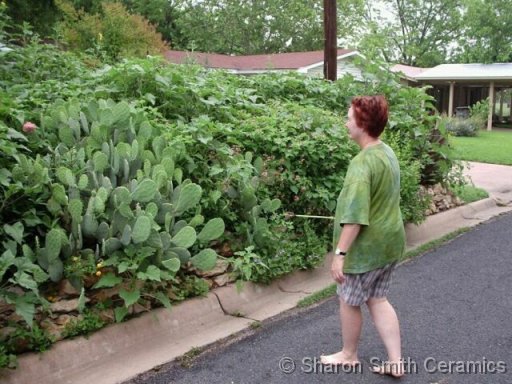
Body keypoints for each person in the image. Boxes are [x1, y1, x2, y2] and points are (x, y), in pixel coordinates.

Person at [320, 95, 406, 378]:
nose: (345, 123)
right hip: (390, 243)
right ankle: (395, 361)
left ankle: (348, 354)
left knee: (348, 300)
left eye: (349, 118)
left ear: (362, 124)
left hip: (367, 250)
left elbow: (356, 217)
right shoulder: (387, 152)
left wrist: (339, 255)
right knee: (378, 299)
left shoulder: (361, 164)